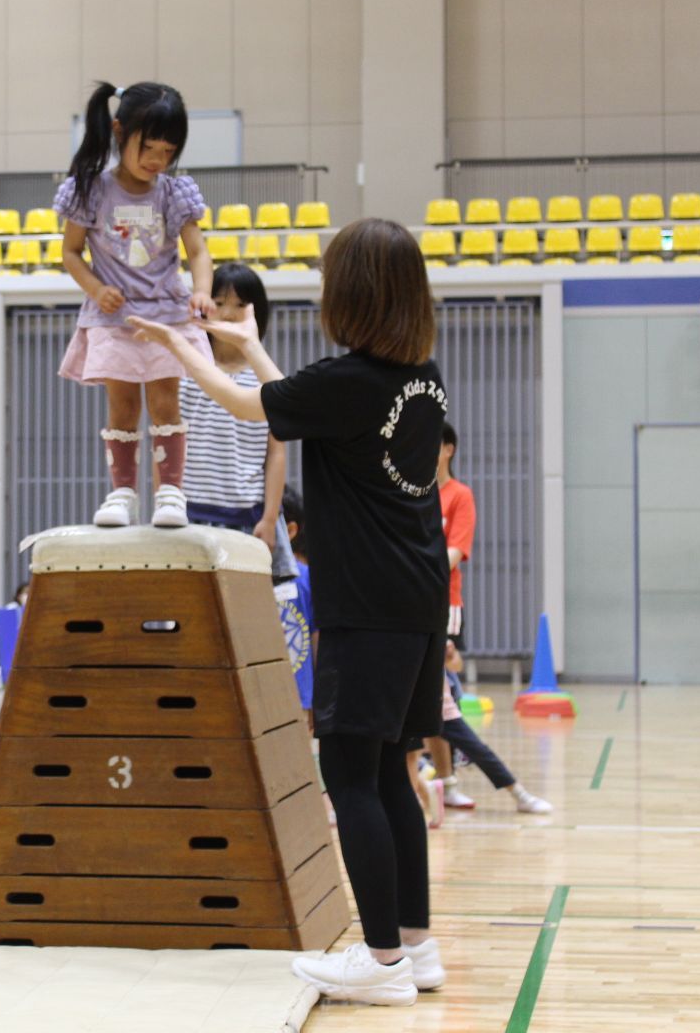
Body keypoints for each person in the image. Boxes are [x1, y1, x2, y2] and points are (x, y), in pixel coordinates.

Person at [130, 217, 449, 1006]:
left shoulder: (347, 383)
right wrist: (242, 339)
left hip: (366, 605)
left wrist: (182, 350)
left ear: (355, 294)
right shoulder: (419, 377)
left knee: (349, 774)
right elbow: (291, 397)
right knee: (390, 770)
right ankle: (414, 944)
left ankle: (378, 964)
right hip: (416, 599)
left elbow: (250, 408)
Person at [55, 80, 213, 529]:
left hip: (165, 314)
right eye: (149, 148)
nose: (157, 161)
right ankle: (122, 492)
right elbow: (70, 252)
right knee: (122, 407)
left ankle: (170, 493)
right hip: (113, 318)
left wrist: (201, 290)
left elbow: (198, 250)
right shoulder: (91, 190)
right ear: (120, 131)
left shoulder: (172, 192)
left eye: (168, 151)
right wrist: (94, 288)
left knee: (166, 402)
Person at [427, 423, 551, 815]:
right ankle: (445, 782)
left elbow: (455, 551)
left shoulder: (459, 495)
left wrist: (416, 572)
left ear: (448, 449)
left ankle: (477, 783)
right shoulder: (414, 495)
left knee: (441, 706)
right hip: (409, 607)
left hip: (442, 606)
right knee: (435, 710)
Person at [180, 263, 297, 582]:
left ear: (258, 312)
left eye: (240, 304)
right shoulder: (188, 372)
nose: (228, 313)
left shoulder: (265, 375)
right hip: (192, 512)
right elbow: (166, 444)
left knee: (252, 614)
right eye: (219, 303)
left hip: (250, 514)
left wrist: (270, 517)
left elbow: (276, 453)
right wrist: (169, 505)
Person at [277, 486, 313, 710]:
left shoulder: (306, 579)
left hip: (299, 699)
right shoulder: (243, 577)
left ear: (290, 531)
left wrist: (318, 698)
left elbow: (317, 636)